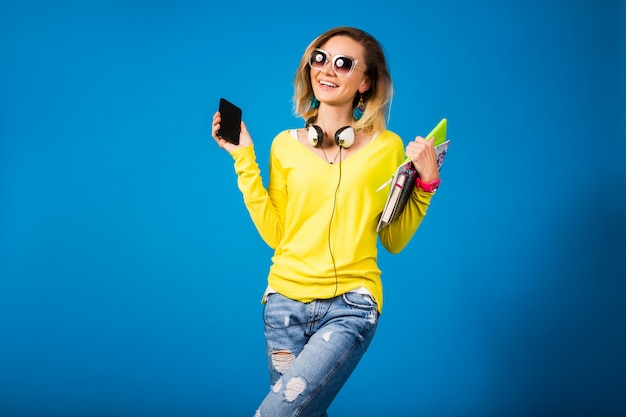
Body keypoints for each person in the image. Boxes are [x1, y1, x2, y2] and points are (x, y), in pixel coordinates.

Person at [211, 26, 441, 417]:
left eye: (343, 63)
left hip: (351, 305)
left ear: (365, 82)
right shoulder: (285, 145)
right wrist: (243, 159)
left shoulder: (388, 148)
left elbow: (394, 239)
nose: (327, 69)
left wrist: (425, 184)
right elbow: (277, 234)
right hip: (284, 304)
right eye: (320, 58)